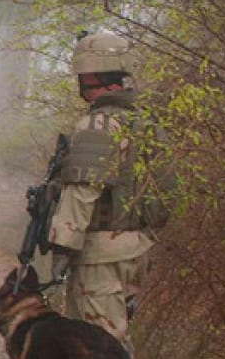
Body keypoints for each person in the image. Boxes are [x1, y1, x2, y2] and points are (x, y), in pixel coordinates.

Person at [48, 31, 168, 353]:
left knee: (100, 345)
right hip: (136, 249)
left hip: (100, 255)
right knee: (117, 340)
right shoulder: (144, 122)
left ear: (90, 74)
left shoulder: (99, 124)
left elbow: (82, 191)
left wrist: (62, 246)